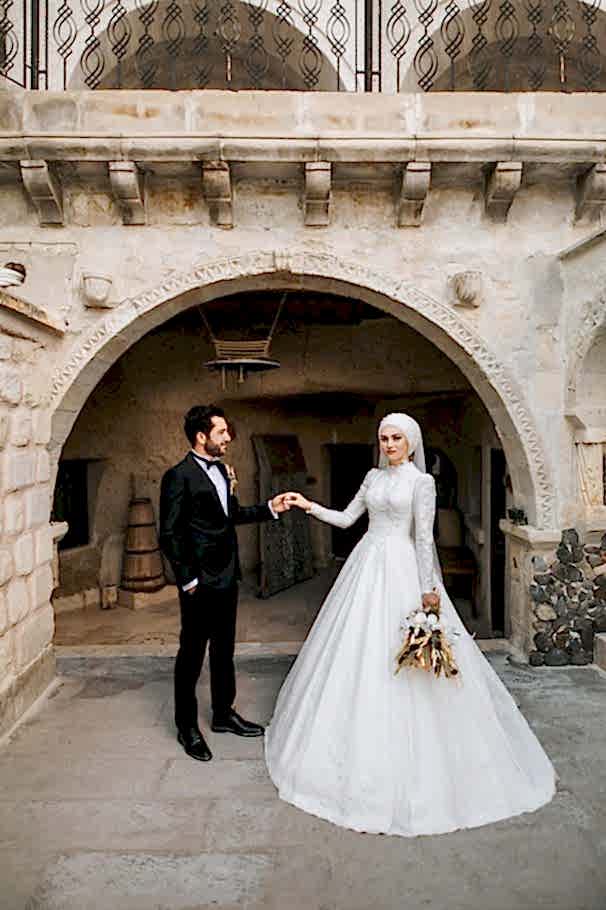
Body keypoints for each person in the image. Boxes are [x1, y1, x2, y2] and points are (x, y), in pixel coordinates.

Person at [265, 413, 556, 836]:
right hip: (366, 564)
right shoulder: (372, 477)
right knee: (357, 651)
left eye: (397, 437)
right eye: (384, 437)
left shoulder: (422, 483)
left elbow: (423, 538)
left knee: (413, 653)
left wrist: (428, 592)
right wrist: (306, 505)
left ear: (411, 440)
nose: (389, 444)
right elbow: (348, 519)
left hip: (403, 568)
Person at [160, 405, 291, 762]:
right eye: (221, 433)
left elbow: (229, 517)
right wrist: (187, 580)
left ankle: (222, 714)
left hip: (226, 577)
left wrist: (270, 507)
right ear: (201, 437)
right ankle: (187, 726)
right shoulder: (178, 476)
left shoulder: (222, 471)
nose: (228, 438)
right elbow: (169, 533)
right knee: (191, 655)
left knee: (224, 650)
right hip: (198, 583)